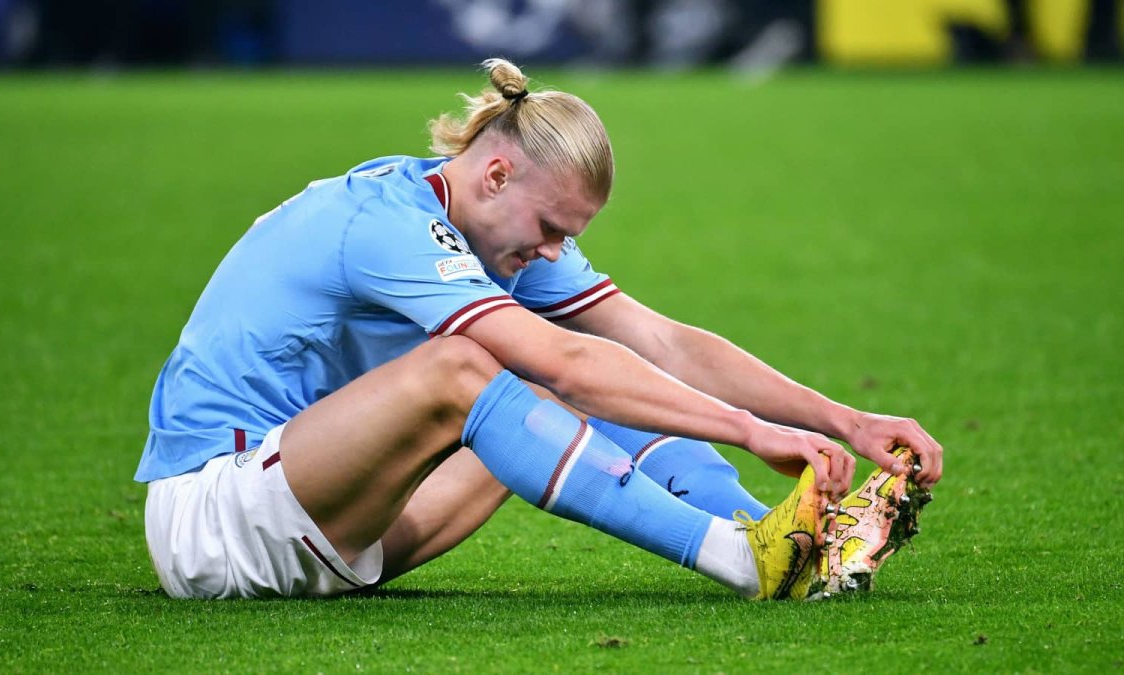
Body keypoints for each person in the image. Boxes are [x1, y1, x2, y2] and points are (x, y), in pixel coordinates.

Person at [137, 58, 942, 601]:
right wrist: (747, 427)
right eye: (552, 226)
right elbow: (562, 358)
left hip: (342, 528)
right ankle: (739, 561)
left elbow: (656, 342)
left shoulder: (491, 229)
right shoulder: (385, 223)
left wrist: (843, 419)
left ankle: (784, 542)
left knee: (578, 370)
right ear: (495, 174)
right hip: (214, 516)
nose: (555, 250)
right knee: (468, 367)